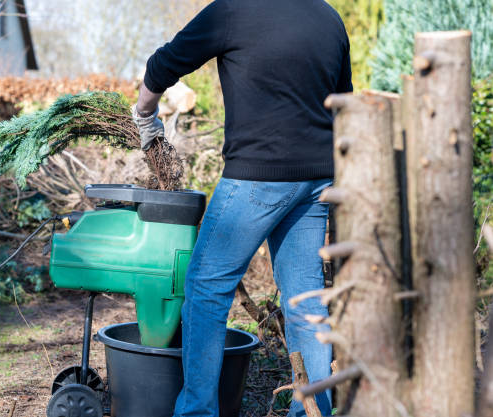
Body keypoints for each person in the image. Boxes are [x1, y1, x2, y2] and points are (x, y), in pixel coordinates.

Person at [132, 1, 352, 416]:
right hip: (318, 177)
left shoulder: (233, 10)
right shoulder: (328, 17)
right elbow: (343, 102)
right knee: (306, 302)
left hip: (259, 176)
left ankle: (196, 411)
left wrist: (144, 113)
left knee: (205, 288)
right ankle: (312, 412)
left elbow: (166, 62)